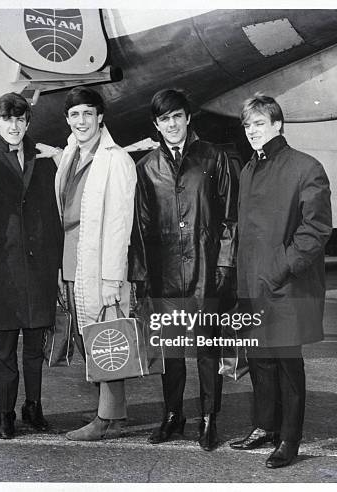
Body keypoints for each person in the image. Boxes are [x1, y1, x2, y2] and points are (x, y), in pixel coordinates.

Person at [128, 89, 237, 450]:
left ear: (188, 118)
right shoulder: (146, 168)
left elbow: (230, 219)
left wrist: (223, 263)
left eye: (177, 116)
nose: (172, 124)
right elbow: (140, 229)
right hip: (165, 274)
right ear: (156, 125)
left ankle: (209, 418)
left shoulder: (214, 158)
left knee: (207, 349)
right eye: (164, 119)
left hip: (206, 270)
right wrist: (141, 278)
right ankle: (174, 415)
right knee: (172, 351)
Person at [229, 93, 332, 468]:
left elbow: (315, 231)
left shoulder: (306, 167)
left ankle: (289, 438)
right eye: (247, 125)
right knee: (260, 360)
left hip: (287, 286)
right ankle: (264, 426)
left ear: (277, 124)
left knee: (288, 364)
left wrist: (278, 269)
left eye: (259, 123)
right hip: (252, 286)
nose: (252, 131)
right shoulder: (248, 169)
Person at [0, 93, 62, 439]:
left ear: (27, 123)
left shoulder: (45, 159)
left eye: (20, 119)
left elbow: (55, 211)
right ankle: (6, 413)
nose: (14, 126)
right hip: (5, 268)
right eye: (7, 120)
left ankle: (33, 407)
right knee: (6, 347)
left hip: (39, 268)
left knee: (35, 346)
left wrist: (54, 258)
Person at [55, 86, 137, 441]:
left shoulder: (116, 159)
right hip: (72, 258)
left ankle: (106, 419)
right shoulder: (69, 155)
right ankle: (113, 413)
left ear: (100, 117)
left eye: (88, 113)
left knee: (105, 336)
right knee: (88, 336)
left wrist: (111, 279)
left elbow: (120, 225)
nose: (81, 121)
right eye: (74, 115)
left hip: (100, 262)